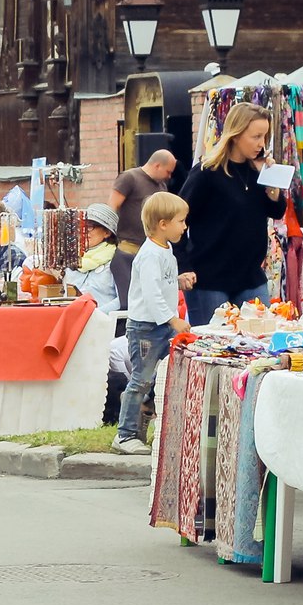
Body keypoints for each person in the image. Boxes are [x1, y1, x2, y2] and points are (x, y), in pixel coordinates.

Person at [173, 101, 287, 326]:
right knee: (214, 345)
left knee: (260, 339)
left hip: (250, 275)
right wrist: (183, 265)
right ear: (235, 135)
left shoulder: (257, 170)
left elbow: (276, 210)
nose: (261, 144)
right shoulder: (206, 173)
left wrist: (271, 183)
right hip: (209, 278)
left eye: (264, 137)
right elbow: (177, 218)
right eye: (255, 137)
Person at [114, 192, 193, 454]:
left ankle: (141, 423)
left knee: (158, 377)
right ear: (163, 224)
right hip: (146, 328)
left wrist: (178, 281)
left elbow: (161, 283)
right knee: (141, 380)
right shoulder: (149, 255)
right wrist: (173, 319)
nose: (184, 226)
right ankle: (125, 435)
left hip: (160, 326)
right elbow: (151, 293)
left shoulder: (165, 250)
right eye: (181, 221)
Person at [110, 149, 179, 231]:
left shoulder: (162, 186)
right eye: (168, 172)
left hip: (152, 240)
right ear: (157, 166)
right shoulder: (129, 177)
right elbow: (112, 205)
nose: (169, 176)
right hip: (128, 241)